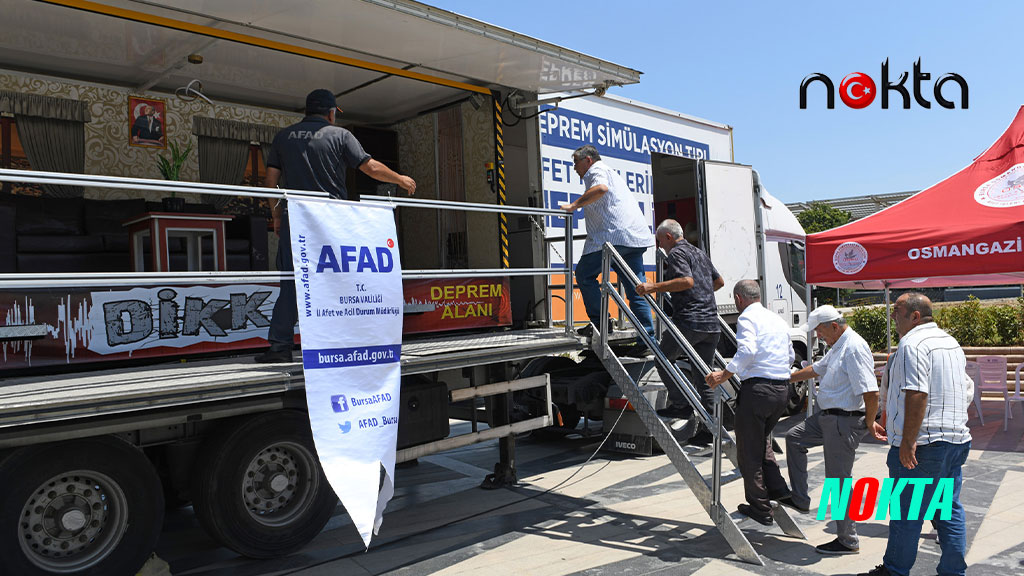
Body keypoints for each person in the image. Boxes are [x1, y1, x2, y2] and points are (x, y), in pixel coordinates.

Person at [255, 89, 416, 363]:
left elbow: (270, 180)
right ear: (331, 113)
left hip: (298, 220)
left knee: (292, 284)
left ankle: (280, 348)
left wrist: (277, 216)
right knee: (339, 281)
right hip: (331, 222)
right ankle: (341, 345)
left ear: (306, 112)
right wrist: (400, 178)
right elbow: (370, 168)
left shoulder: (284, 137)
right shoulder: (340, 135)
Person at [859, 293, 972, 576]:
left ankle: (895, 570)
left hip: (924, 445)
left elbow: (917, 393)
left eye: (897, 311)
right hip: (955, 440)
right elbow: (966, 389)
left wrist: (908, 441)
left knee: (907, 514)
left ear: (915, 316)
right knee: (946, 509)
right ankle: (953, 571)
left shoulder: (912, 343)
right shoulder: (950, 343)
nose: (893, 317)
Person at [785, 305, 879, 555]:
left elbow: (871, 392)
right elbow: (816, 369)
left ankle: (848, 540)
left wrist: (869, 422)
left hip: (843, 420)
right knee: (794, 438)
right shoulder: (838, 345)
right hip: (827, 418)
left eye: (820, 331)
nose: (818, 336)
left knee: (838, 482)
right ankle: (800, 498)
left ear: (834, 326)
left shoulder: (854, 347)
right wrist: (784, 378)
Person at [705, 279, 793, 526]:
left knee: (748, 453)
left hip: (758, 390)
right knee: (762, 441)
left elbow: (747, 351)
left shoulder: (746, 319)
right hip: (781, 389)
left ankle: (760, 508)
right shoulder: (777, 319)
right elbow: (790, 356)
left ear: (738, 299)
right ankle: (777, 488)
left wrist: (725, 374)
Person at [636, 219, 724, 446]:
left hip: (689, 322)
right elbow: (719, 282)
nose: (660, 247)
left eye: (660, 242)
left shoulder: (676, 253)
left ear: (668, 237)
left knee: (663, 359)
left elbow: (686, 281)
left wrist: (653, 287)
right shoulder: (699, 253)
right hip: (711, 324)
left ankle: (680, 405)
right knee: (704, 376)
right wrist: (701, 293)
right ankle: (710, 429)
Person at [559, 144, 655, 344]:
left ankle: (600, 322)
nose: (575, 167)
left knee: (584, 274)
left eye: (576, 162)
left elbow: (601, 189)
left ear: (588, 160)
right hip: (632, 238)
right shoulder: (610, 172)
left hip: (613, 237)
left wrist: (574, 206)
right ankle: (647, 340)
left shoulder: (597, 170)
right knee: (637, 288)